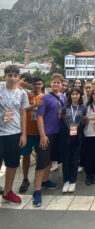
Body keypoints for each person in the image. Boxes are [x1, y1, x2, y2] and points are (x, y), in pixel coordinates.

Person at [32, 73, 66, 207]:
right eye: (54, 82)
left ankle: (45, 180)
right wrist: (42, 135)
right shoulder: (45, 98)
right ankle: (37, 190)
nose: (56, 84)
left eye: (58, 82)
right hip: (47, 133)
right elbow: (39, 117)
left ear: (61, 84)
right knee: (42, 161)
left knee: (50, 159)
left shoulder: (63, 96)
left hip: (58, 133)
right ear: (50, 84)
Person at [0, 65, 29, 204]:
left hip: (14, 133)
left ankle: (7, 191)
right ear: (4, 76)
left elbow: (23, 113)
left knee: (12, 164)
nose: (12, 78)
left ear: (18, 77)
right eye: (9, 75)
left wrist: (24, 134)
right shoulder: (0, 88)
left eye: (15, 75)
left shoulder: (21, 93)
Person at [19, 76, 44, 193]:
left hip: (38, 131)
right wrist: (34, 105)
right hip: (27, 131)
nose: (37, 86)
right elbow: (22, 110)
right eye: (35, 84)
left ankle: (37, 178)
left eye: (39, 84)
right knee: (26, 155)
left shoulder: (44, 97)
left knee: (39, 155)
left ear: (42, 85)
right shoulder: (25, 95)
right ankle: (25, 178)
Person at [61, 88, 86, 193]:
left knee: (75, 159)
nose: (75, 96)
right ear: (70, 96)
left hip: (78, 135)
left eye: (77, 94)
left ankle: (73, 180)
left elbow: (84, 121)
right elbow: (63, 119)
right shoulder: (65, 108)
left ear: (80, 96)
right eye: (73, 94)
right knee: (66, 159)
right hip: (67, 135)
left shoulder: (83, 108)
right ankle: (66, 180)